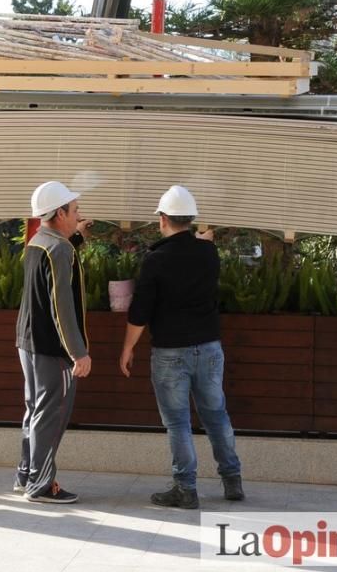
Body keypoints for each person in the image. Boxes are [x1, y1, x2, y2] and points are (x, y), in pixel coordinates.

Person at [119, 185, 244, 508]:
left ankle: (186, 488)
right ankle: (232, 480)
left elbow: (141, 310)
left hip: (171, 352)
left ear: (163, 219)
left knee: (177, 422)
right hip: (210, 347)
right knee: (216, 415)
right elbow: (198, 249)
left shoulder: (156, 260)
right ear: (190, 219)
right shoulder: (208, 253)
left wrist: (127, 348)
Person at [14, 180, 93, 503]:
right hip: (51, 348)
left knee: (35, 410)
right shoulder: (60, 250)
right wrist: (78, 352)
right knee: (52, 412)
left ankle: (26, 474)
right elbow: (62, 305)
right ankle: (42, 484)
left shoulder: (38, 242)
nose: (78, 215)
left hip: (28, 342)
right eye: (74, 211)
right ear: (59, 213)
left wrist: (76, 238)